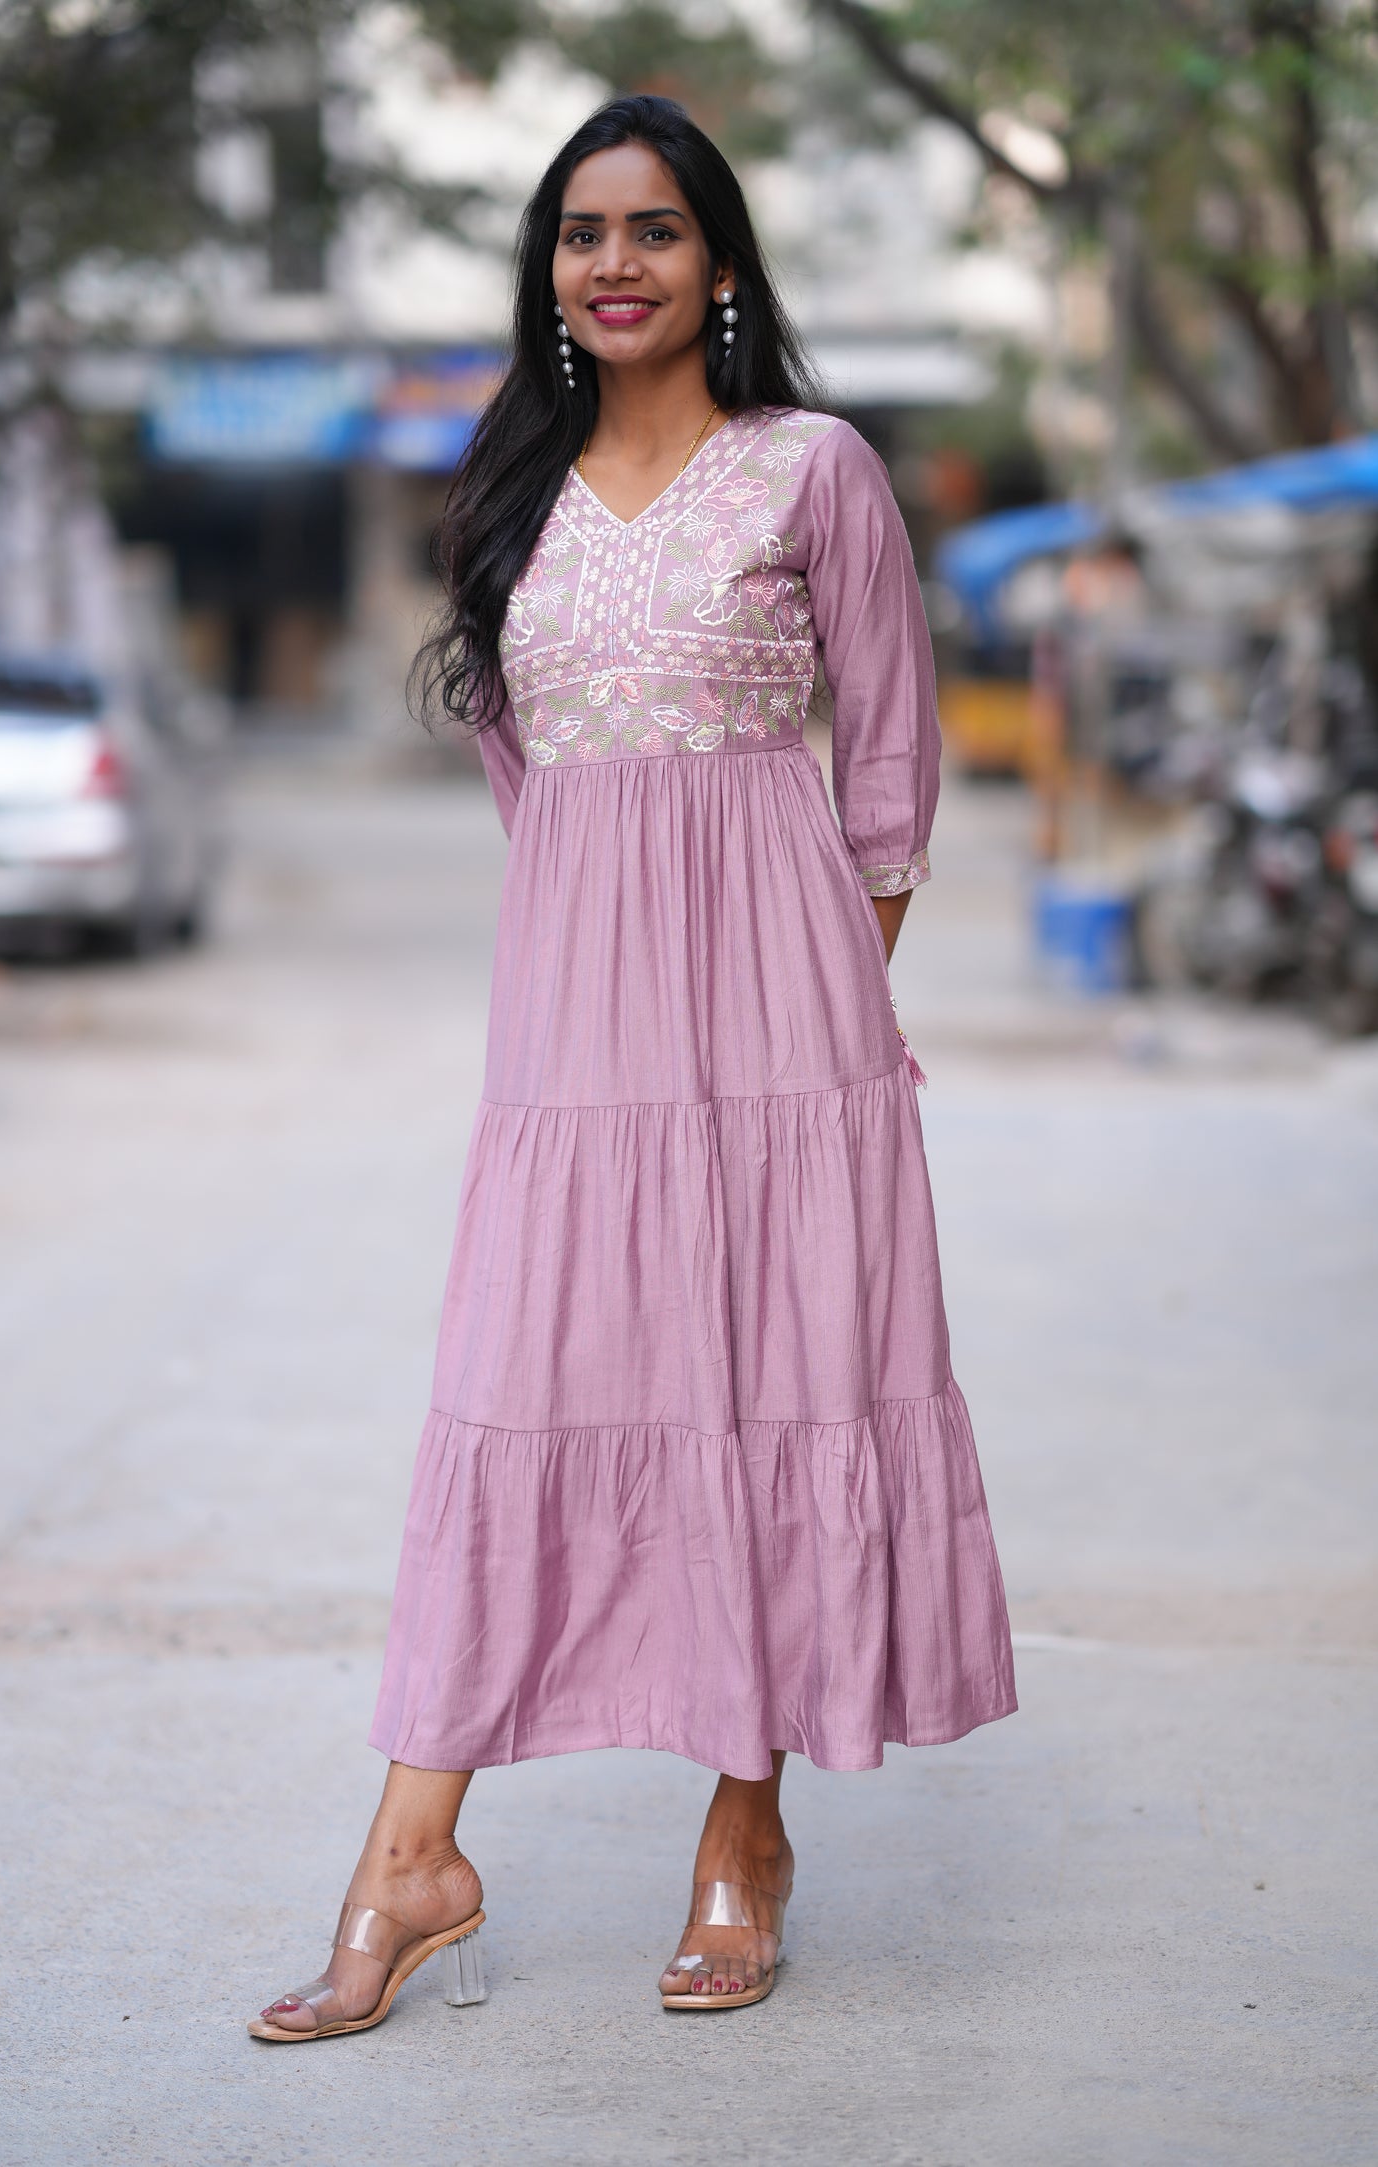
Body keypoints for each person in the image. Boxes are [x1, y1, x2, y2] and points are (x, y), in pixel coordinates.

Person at [249, 92, 1016, 2042]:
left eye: (654, 229)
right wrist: (616, 981)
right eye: (582, 232)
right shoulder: (504, 499)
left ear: (720, 261)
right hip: (577, 1038)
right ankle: (415, 1844)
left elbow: (893, 775)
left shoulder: (813, 470)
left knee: (770, 1392)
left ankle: (744, 1830)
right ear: (550, 271)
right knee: (524, 1391)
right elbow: (535, 788)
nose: (615, 261)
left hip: (791, 1027)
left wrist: (824, 1023)